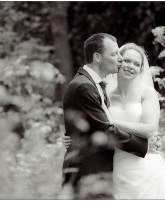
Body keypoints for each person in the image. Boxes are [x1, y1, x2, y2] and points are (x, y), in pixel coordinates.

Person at [63, 42, 165, 199]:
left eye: (136, 64)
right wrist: (71, 136)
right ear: (118, 61)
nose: (131, 66)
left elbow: (150, 129)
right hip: (115, 163)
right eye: (126, 60)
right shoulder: (104, 93)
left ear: (140, 70)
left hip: (146, 162)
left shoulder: (148, 93)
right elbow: (91, 121)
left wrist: (110, 122)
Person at [62, 33, 148, 198]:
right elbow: (106, 130)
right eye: (114, 54)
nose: (120, 59)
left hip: (100, 170)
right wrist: (145, 145)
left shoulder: (93, 84)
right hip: (88, 170)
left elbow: (90, 125)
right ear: (97, 57)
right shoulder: (84, 87)